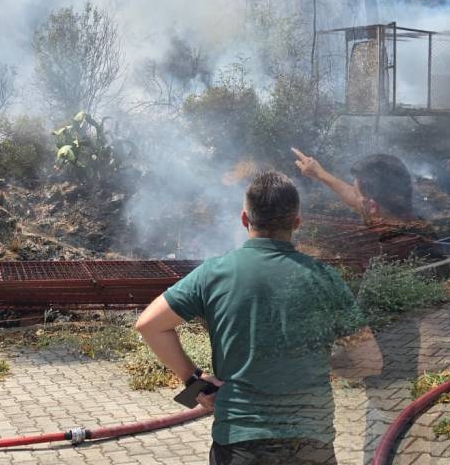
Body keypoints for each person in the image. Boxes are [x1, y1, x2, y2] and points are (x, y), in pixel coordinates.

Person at [135, 171, 379, 465]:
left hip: (240, 443)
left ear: (244, 219)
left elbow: (149, 325)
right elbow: (370, 361)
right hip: (310, 442)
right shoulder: (325, 279)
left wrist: (193, 381)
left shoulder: (214, 273)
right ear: (297, 222)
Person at [291, 149, 415, 223]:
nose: (355, 199)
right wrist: (320, 173)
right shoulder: (401, 209)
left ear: (372, 206)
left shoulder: (386, 244)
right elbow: (353, 195)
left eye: (357, 195)